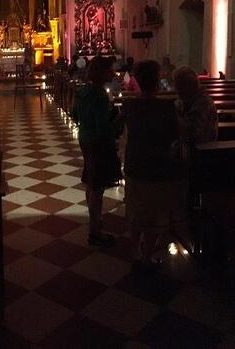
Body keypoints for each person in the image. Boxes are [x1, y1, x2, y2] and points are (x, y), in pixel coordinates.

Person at [122, 61, 186, 273]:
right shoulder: (167, 107)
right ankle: (147, 256)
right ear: (157, 80)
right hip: (159, 164)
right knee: (153, 212)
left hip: (135, 162)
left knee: (136, 209)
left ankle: (135, 252)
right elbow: (178, 133)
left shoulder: (129, 105)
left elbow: (117, 128)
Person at [72, 56, 121, 246]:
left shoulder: (83, 90)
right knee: (98, 187)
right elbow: (103, 129)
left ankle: (95, 220)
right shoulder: (99, 95)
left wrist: (86, 124)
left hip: (85, 138)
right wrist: (118, 120)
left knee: (91, 181)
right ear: (102, 72)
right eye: (109, 70)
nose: (113, 73)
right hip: (98, 143)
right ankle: (95, 232)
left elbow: (74, 114)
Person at [173, 66, 218, 145]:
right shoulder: (189, 98)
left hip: (201, 148)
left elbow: (192, 133)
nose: (176, 91)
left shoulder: (203, 103)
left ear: (188, 86)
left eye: (178, 87)